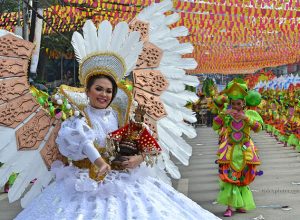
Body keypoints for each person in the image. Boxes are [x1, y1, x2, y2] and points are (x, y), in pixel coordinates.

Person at [15, 72, 220, 220]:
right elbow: (84, 142)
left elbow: (143, 143)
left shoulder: (119, 116)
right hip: (83, 181)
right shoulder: (77, 119)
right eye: (99, 89)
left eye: (108, 91)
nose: (104, 94)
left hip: (122, 178)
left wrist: (136, 159)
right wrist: (99, 162)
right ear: (87, 91)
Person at [212, 80, 263, 217]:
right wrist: (223, 114)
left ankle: (240, 204)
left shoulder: (250, 114)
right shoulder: (226, 113)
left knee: (242, 177)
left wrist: (246, 118)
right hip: (229, 150)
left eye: (238, 104)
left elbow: (258, 128)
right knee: (229, 178)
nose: (235, 107)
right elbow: (215, 126)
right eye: (233, 103)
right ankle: (229, 206)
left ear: (244, 103)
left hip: (244, 150)